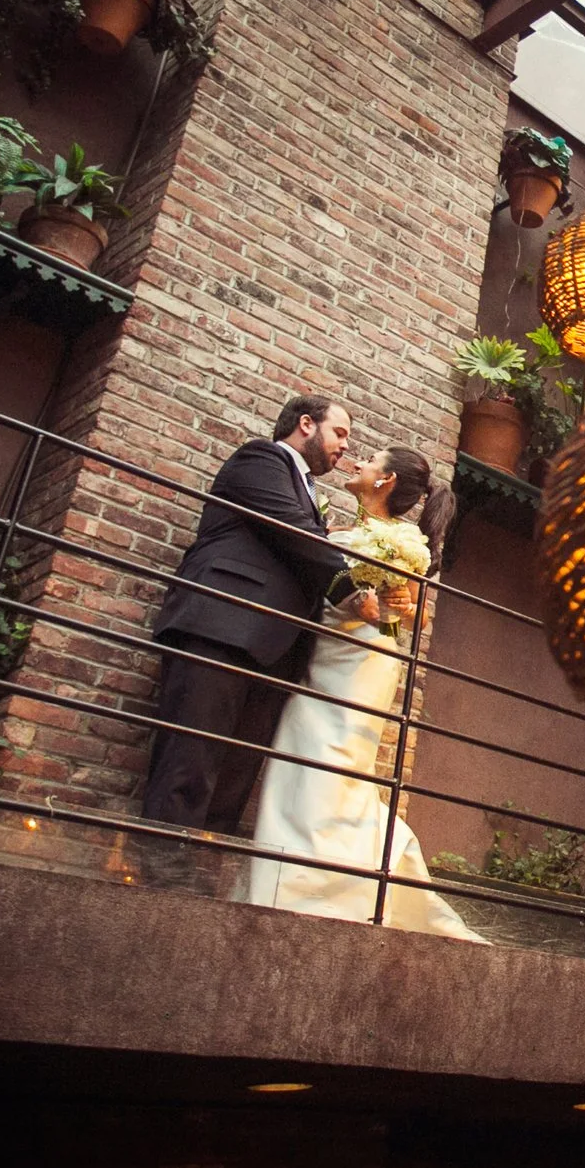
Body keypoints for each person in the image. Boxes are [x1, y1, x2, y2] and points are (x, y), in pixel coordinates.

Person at [243, 447, 483, 941]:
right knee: (324, 759)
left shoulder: (391, 542)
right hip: (335, 656)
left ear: (385, 480)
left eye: (369, 459)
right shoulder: (351, 535)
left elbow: (377, 604)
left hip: (358, 660)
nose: (358, 463)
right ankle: (324, 876)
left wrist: (396, 603)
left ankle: (305, 890)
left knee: (327, 753)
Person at [142, 395, 400, 838]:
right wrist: (348, 589)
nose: (344, 448)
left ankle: (197, 884)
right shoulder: (261, 457)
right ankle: (154, 882)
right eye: (339, 433)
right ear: (305, 424)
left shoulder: (306, 490)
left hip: (274, 650)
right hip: (223, 629)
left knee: (231, 788)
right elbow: (288, 527)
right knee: (188, 766)